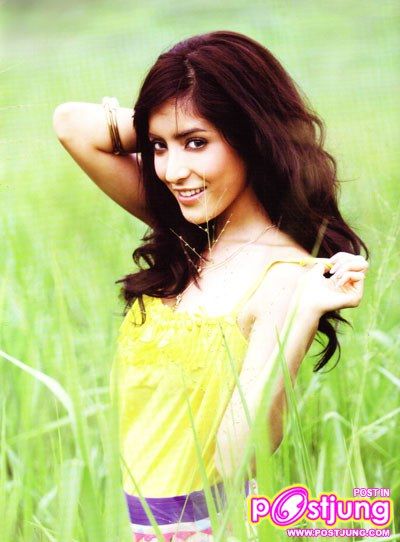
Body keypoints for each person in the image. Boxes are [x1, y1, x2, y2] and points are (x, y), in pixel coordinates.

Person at [53, 30, 369, 542]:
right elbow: (70, 123)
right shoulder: (191, 232)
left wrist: (302, 313)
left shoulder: (287, 277)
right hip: (135, 522)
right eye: (159, 146)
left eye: (197, 142)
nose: (173, 171)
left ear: (252, 136)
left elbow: (237, 456)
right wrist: (165, 117)